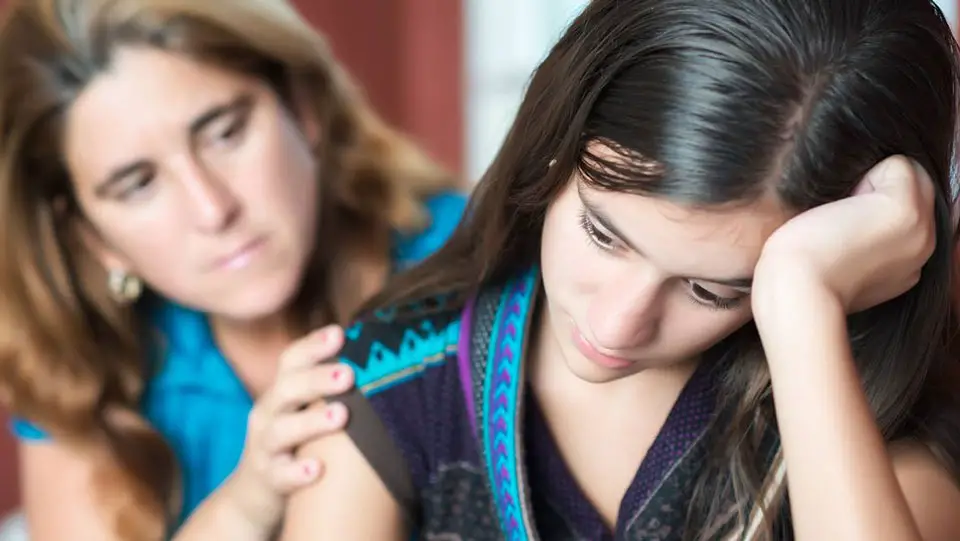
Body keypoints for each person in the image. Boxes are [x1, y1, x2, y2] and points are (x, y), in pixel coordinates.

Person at [280, 0, 960, 539]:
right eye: (602, 233)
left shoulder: (872, 410)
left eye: (711, 288)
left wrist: (803, 302)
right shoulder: (400, 377)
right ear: (553, 148)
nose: (617, 323)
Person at [0, 0, 465, 540]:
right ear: (91, 236)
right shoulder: (79, 364)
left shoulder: (478, 263)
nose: (213, 208)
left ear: (302, 106)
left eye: (225, 133)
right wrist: (244, 506)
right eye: (139, 184)